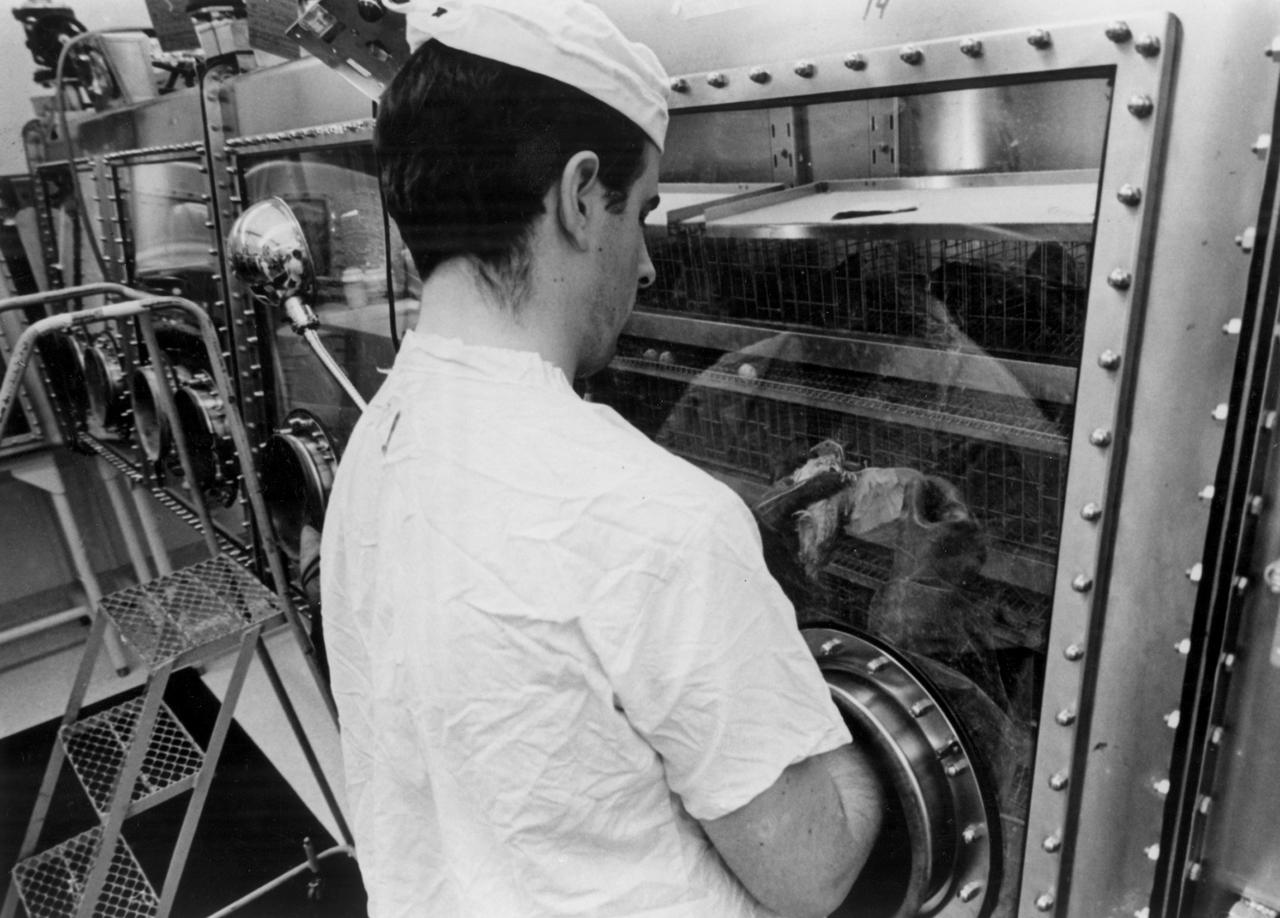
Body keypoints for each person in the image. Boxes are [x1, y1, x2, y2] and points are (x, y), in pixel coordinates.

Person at [319, 2, 884, 915]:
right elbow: (813, 871)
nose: (648, 264)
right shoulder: (658, 518)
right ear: (583, 196)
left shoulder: (383, 432)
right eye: (645, 211)